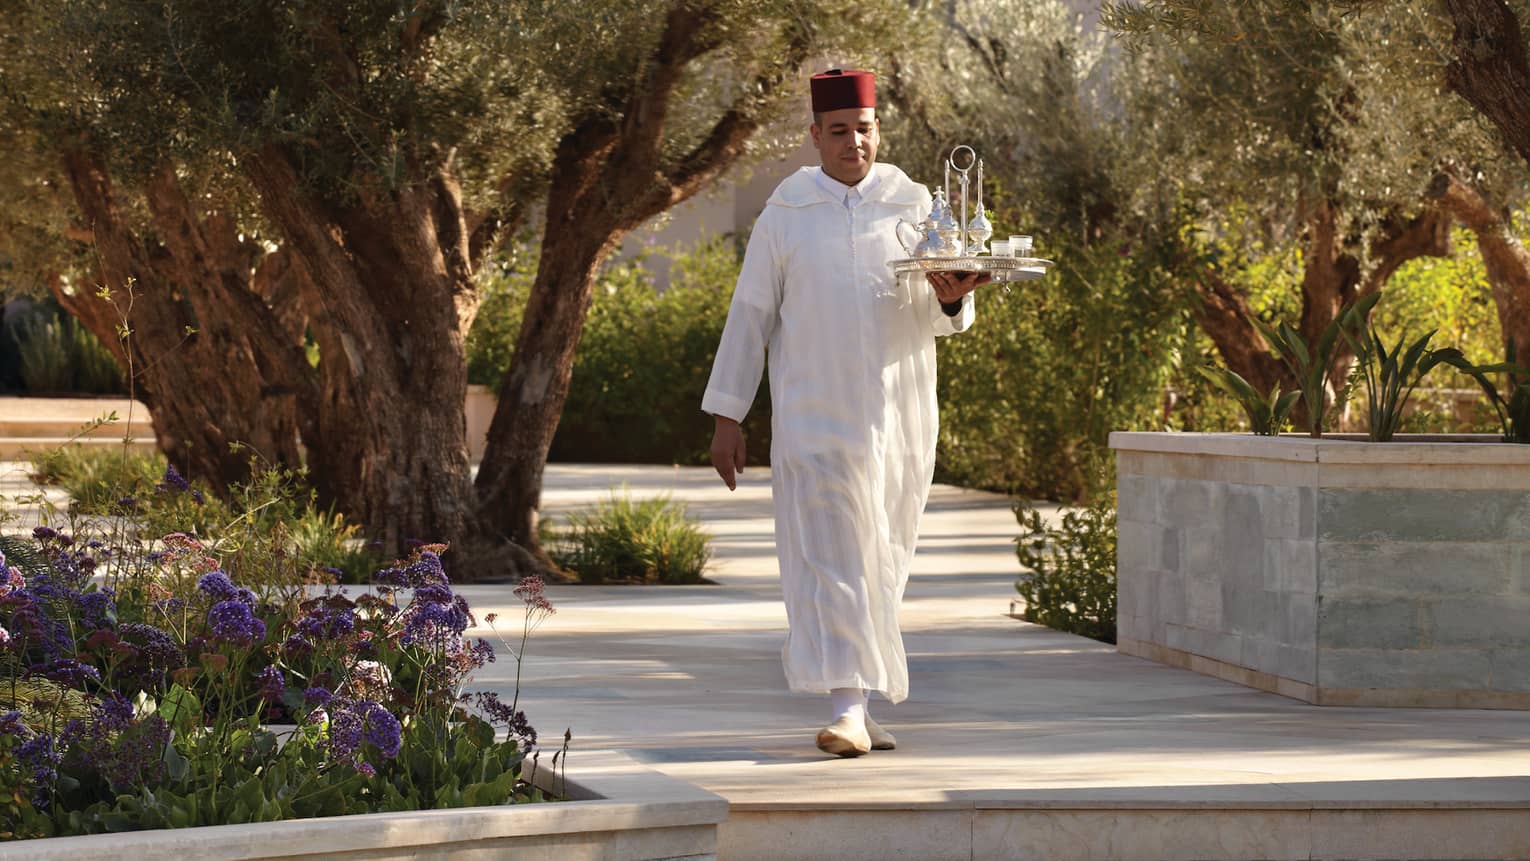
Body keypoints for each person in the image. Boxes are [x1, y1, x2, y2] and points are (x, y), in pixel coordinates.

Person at [701, 68, 988, 758]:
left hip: (900, 416)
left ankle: (860, 693)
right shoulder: (787, 211)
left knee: (883, 556)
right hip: (814, 415)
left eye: (863, 129)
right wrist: (728, 415)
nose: (852, 142)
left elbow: (945, 311)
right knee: (832, 556)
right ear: (815, 137)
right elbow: (750, 314)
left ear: (877, 131)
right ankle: (848, 706)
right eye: (838, 131)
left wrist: (953, 298)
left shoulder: (914, 204)